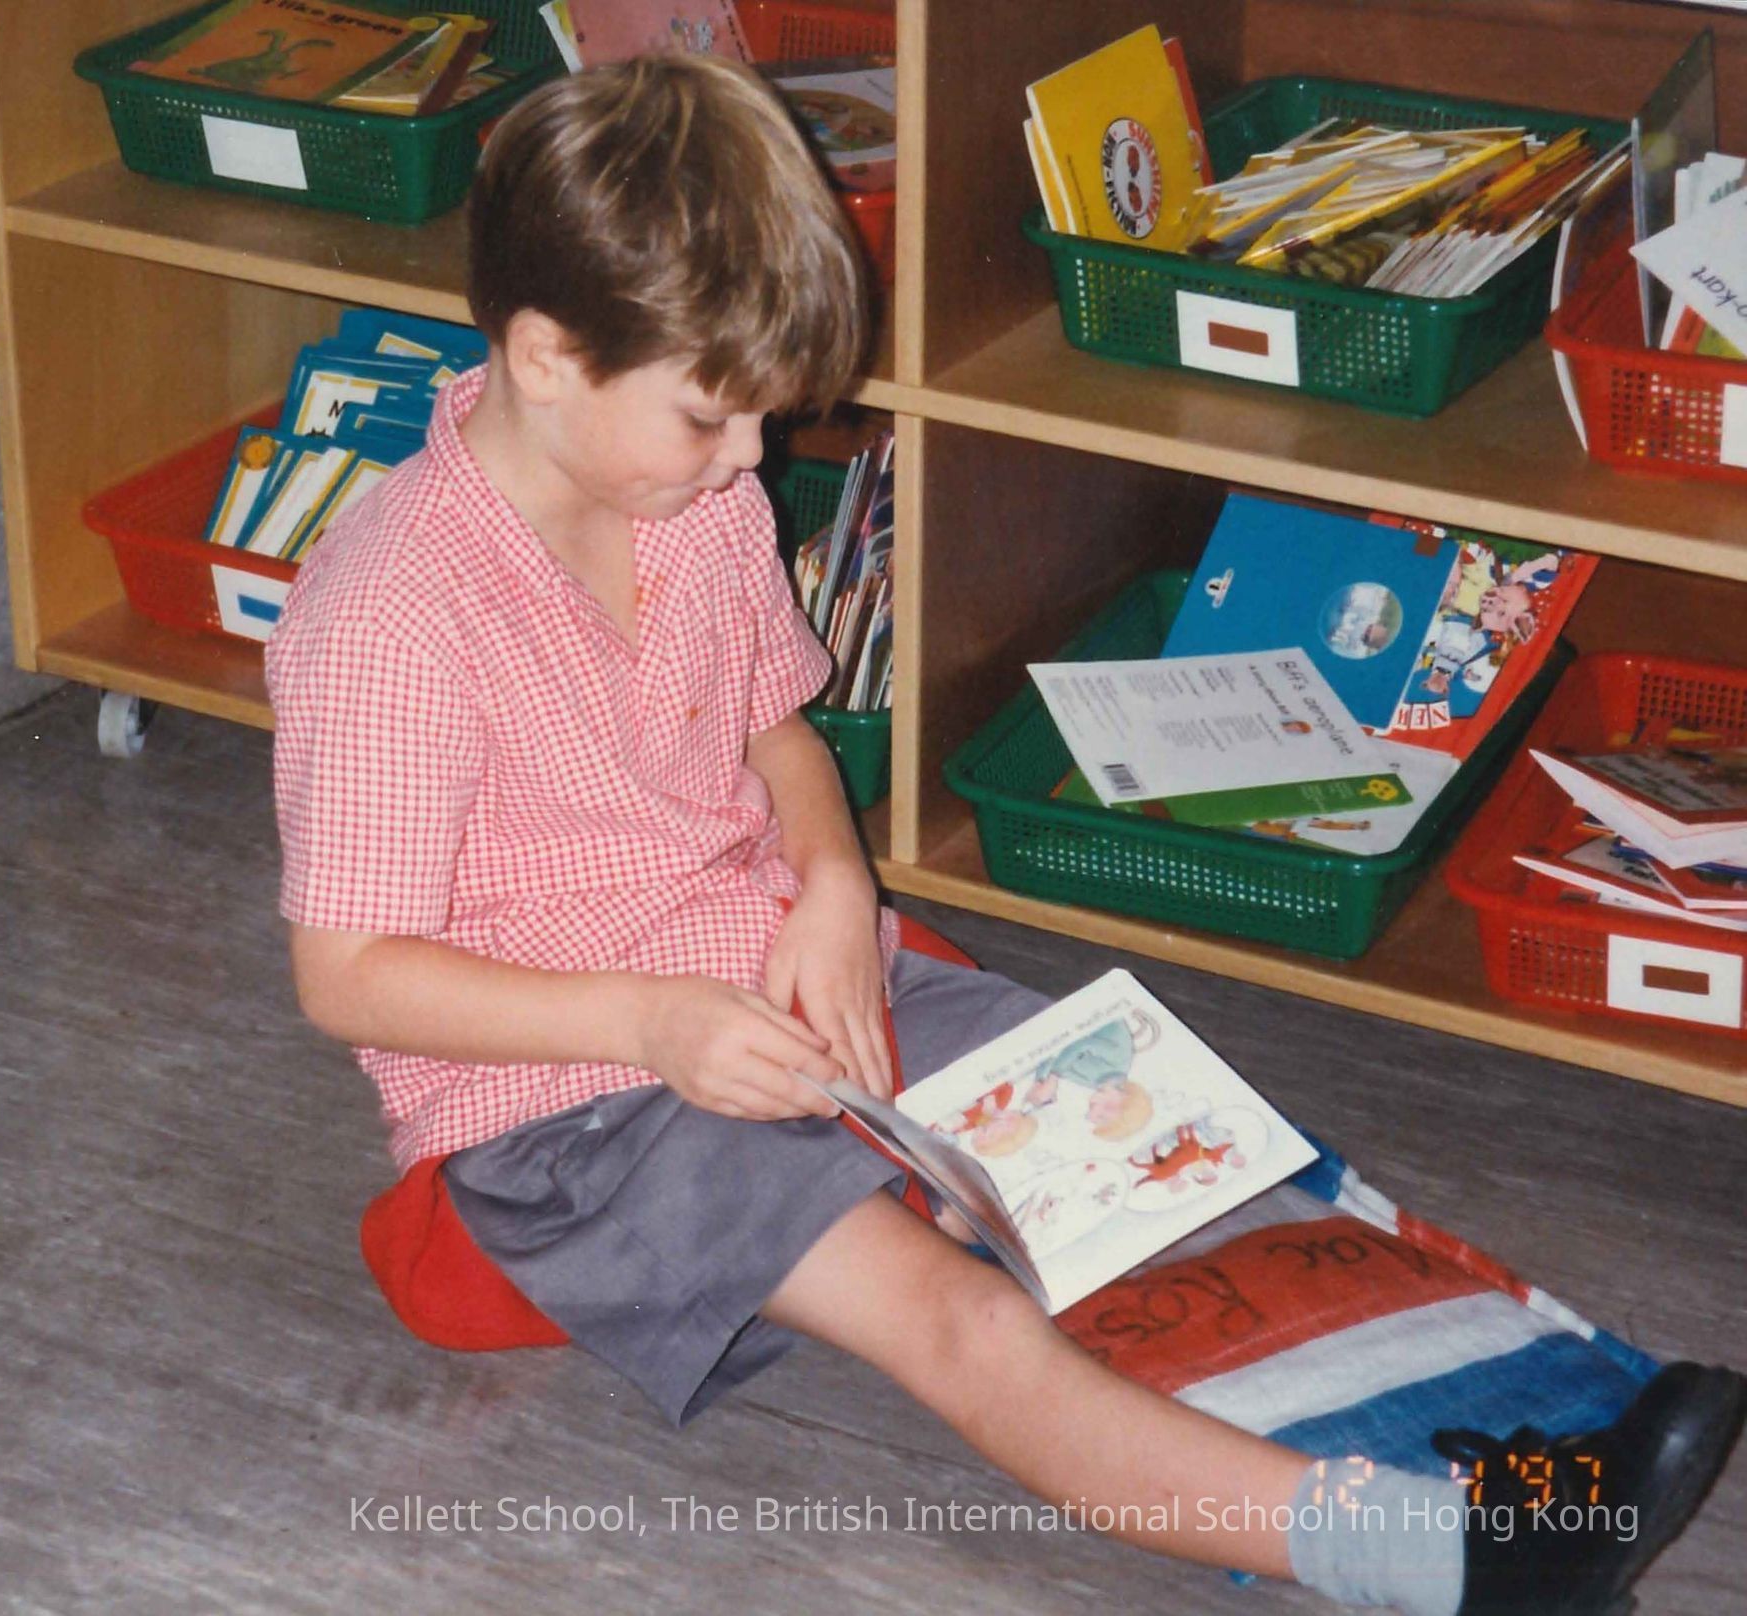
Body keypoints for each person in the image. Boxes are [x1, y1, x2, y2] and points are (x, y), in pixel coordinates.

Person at [263, 54, 1743, 1616]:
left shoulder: (693, 500)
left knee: (1168, 1153)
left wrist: (835, 889)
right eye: (711, 415)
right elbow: (347, 974)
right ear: (548, 356)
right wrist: (653, 1023)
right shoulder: (392, 615)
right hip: (572, 1110)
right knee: (965, 1323)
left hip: (774, 979)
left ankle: (1559, 1443)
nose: (753, 458)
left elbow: (777, 733)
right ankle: (1460, 1566)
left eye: (760, 415)